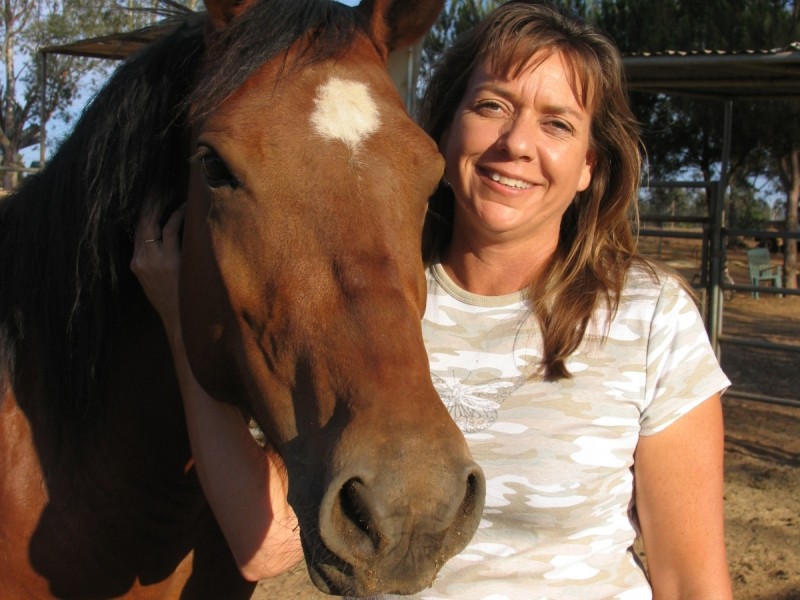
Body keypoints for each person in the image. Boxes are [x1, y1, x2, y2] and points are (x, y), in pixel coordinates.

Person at [131, 2, 733, 598]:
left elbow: (689, 582)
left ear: (587, 167)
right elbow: (269, 545)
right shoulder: (374, 301)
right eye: (492, 105)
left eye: (558, 124)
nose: (517, 144)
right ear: (444, 131)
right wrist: (178, 322)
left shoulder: (651, 319)